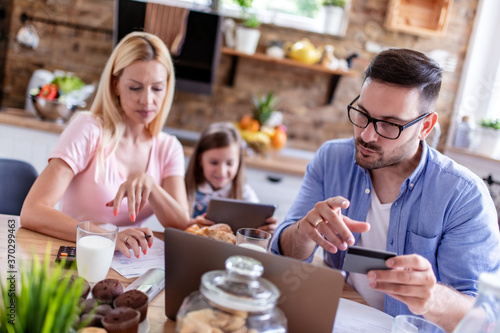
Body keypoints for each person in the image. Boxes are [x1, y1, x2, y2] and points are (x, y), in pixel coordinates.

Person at [270, 48, 500, 332]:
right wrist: (304, 233)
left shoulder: (464, 195)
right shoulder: (332, 159)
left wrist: (432, 297)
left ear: (425, 126)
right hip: (336, 315)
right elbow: (283, 257)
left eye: (390, 124)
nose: (367, 135)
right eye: (363, 114)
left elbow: (484, 318)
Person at [21, 32, 190, 259]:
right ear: (116, 85)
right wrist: (106, 236)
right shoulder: (89, 129)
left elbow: (181, 224)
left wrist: (152, 186)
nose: (147, 100)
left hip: (125, 266)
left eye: (157, 88)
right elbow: (33, 211)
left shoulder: (169, 147)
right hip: (75, 259)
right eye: (135, 88)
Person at [185, 122, 276, 233]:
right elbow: (175, 224)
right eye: (214, 162)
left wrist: (268, 229)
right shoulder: (186, 188)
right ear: (200, 160)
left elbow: (257, 229)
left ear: (239, 162)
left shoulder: (244, 193)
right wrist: (192, 224)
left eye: (229, 163)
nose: (221, 171)